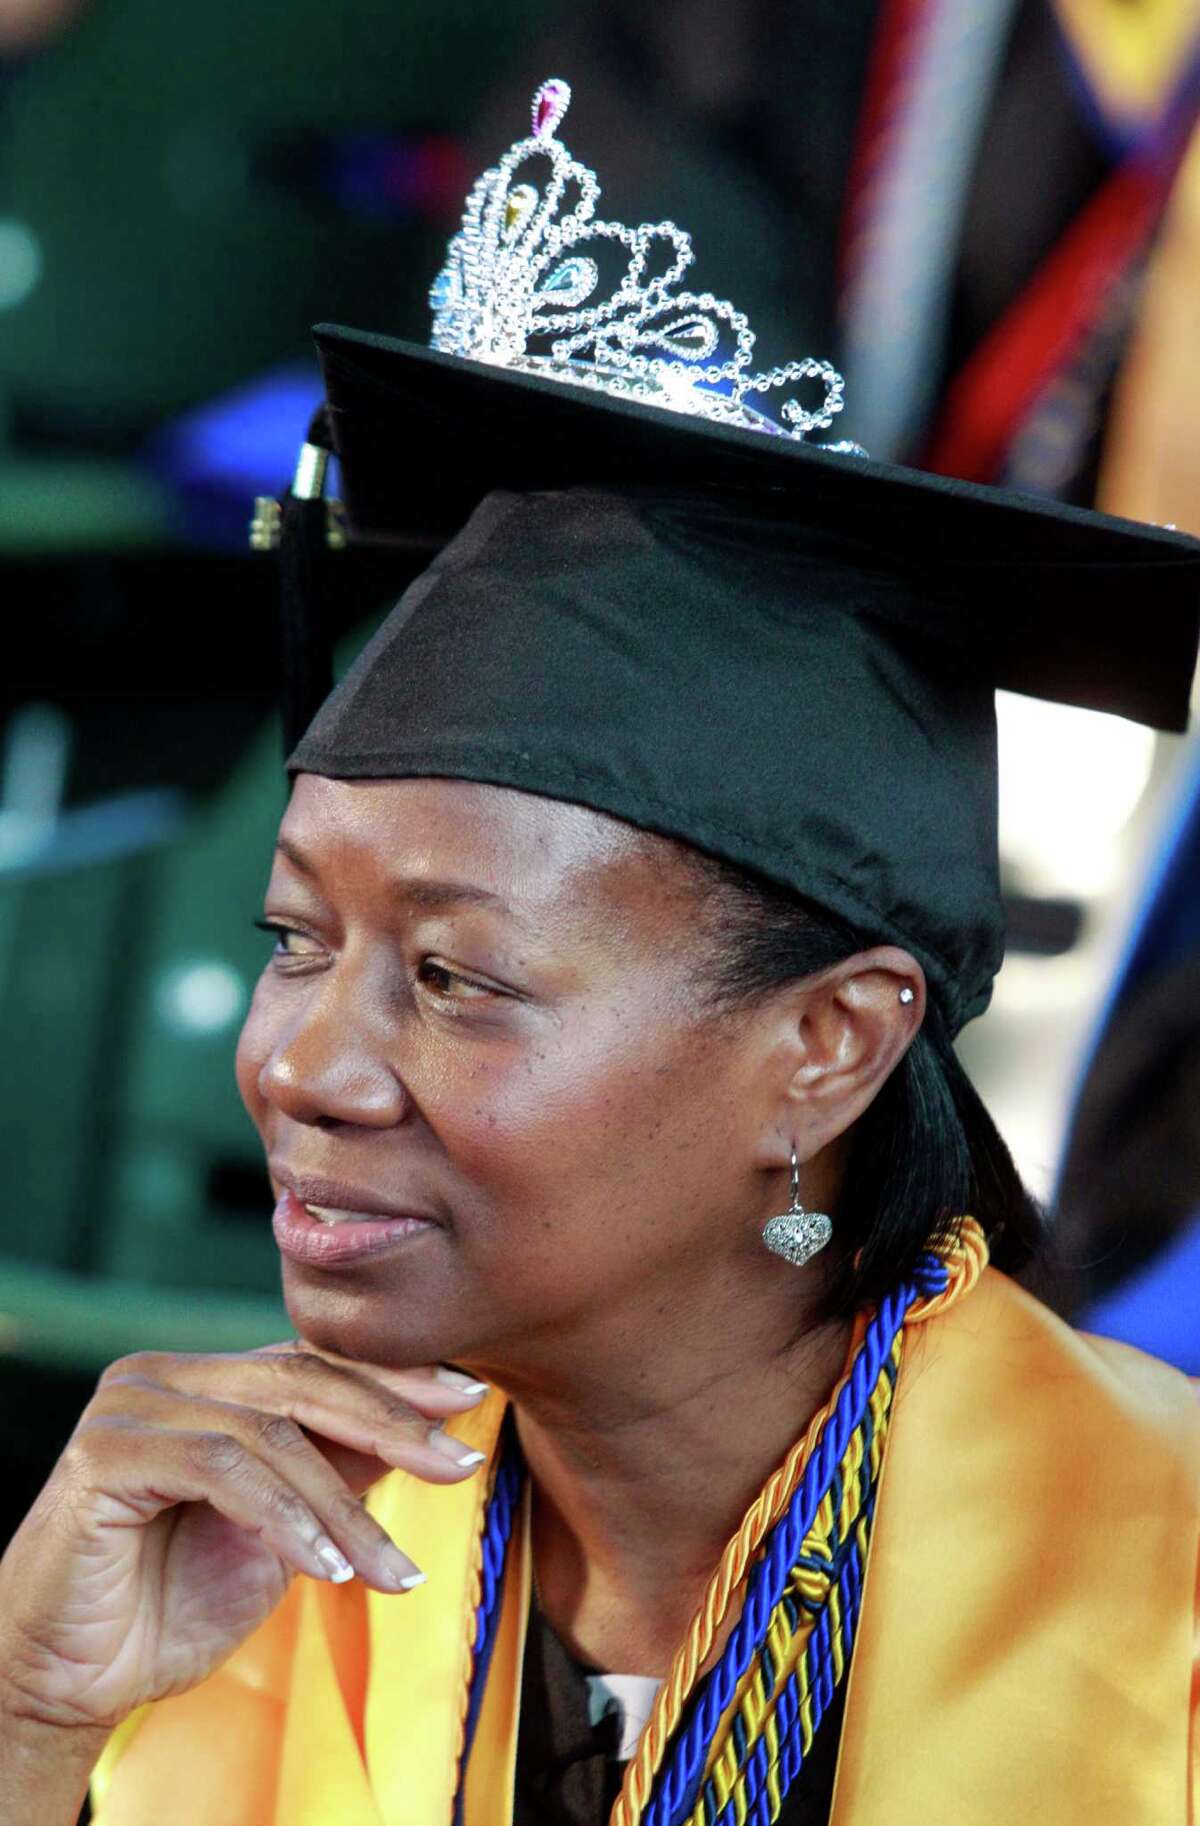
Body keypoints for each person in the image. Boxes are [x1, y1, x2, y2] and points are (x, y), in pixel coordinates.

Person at [2, 79, 1199, 1826]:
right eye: (292, 939)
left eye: (457, 977)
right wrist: (31, 1731)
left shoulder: (1156, 1604)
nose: (300, 1066)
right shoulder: (239, 1584)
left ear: (832, 1046)